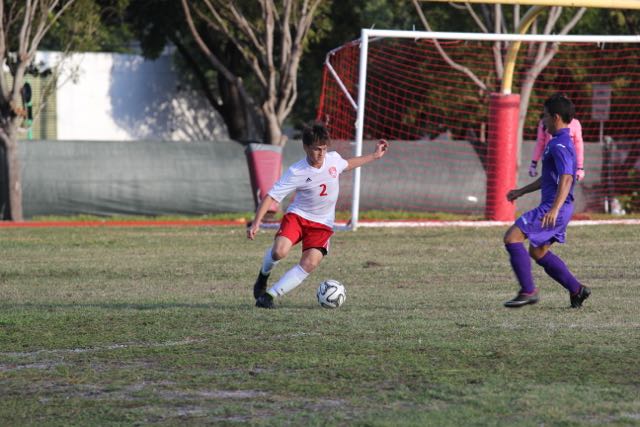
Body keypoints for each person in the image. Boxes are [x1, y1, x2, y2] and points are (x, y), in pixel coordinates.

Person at [247, 121, 389, 309]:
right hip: (298, 217)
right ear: (305, 147)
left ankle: (269, 297)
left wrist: (374, 155)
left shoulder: (333, 159)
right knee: (279, 251)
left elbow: (348, 164)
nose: (321, 153)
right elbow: (271, 196)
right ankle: (263, 276)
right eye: (316, 149)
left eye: (323, 149)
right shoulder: (296, 171)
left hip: (322, 224)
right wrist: (256, 223)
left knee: (310, 262)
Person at [503, 94, 591, 309]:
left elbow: (567, 177)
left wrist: (554, 208)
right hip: (559, 208)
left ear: (556, 117)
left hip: (554, 208)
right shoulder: (557, 142)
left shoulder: (560, 144)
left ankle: (528, 291)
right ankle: (577, 290)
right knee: (538, 251)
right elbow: (548, 177)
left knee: (512, 237)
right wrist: (521, 191)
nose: (543, 121)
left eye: (545, 116)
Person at [529, 113, 585, 181]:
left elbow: (578, 146)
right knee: (548, 184)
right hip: (549, 161)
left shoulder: (575, 123)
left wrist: (580, 167)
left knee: (562, 184)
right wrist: (533, 163)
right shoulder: (544, 122)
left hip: (567, 162)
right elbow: (540, 143)